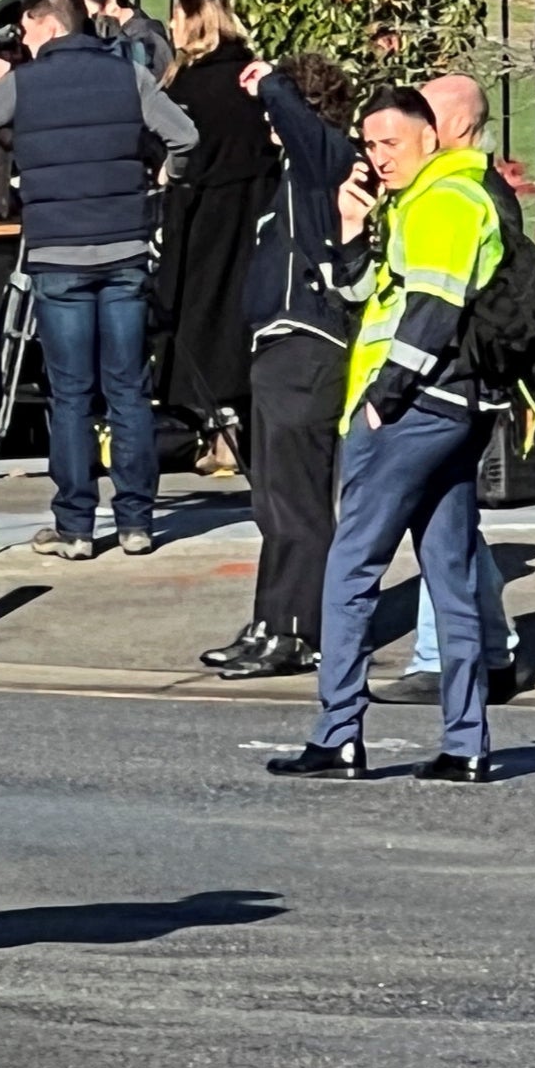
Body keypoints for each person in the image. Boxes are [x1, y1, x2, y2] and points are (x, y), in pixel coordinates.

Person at [269, 86, 505, 783]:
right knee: (450, 575)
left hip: (410, 413)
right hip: (451, 411)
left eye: (390, 144)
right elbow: (366, 299)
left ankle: (338, 731)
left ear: (430, 137)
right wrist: (349, 231)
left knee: (349, 570)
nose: (378, 158)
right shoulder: (427, 201)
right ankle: (467, 741)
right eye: (370, 146)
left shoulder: (443, 201)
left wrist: (383, 399)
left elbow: (431, 307)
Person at [0, 0, 194, 559]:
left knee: (72, 393)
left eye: (26, 29)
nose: (22, 41)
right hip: (124, 248)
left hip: (58, 255)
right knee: (129, 389)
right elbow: (185, 134)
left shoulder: (25, 84)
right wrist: (164, 175)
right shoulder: (127, 77)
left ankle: (76, 525)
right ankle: (136, 521)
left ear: (49, 26)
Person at [205, 49, 363, 678]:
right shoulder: (291, 173)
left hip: (309, 346)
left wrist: (271, 82)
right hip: (274, 348)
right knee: (270, 501)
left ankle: (302, 629)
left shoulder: (325, 159)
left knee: (297, 502)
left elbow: (307, 135)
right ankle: (273, 620)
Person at [379, 70, 532, 709]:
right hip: (461, 382)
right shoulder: (460, 189)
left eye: (428, 120)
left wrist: (390, 390)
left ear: (459, 127)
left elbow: (436, 303)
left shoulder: (458, 195)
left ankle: (442, 657)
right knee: (451, 522)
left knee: (434, 521)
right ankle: (492, 653)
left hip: (449, 385)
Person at [150, 0, 267, 469]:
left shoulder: (187, 87)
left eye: (176, 19)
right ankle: (236, 435)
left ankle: (219, 434)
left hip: (201, 218)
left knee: (201, 328)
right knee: (242, 327)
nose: (170, 27)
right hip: (254, 212)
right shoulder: (254, 78)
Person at [71, 0, 177, 82]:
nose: (75, 13)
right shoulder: (113, 35)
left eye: (80, 5)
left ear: (111, 3)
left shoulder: (147, 40)